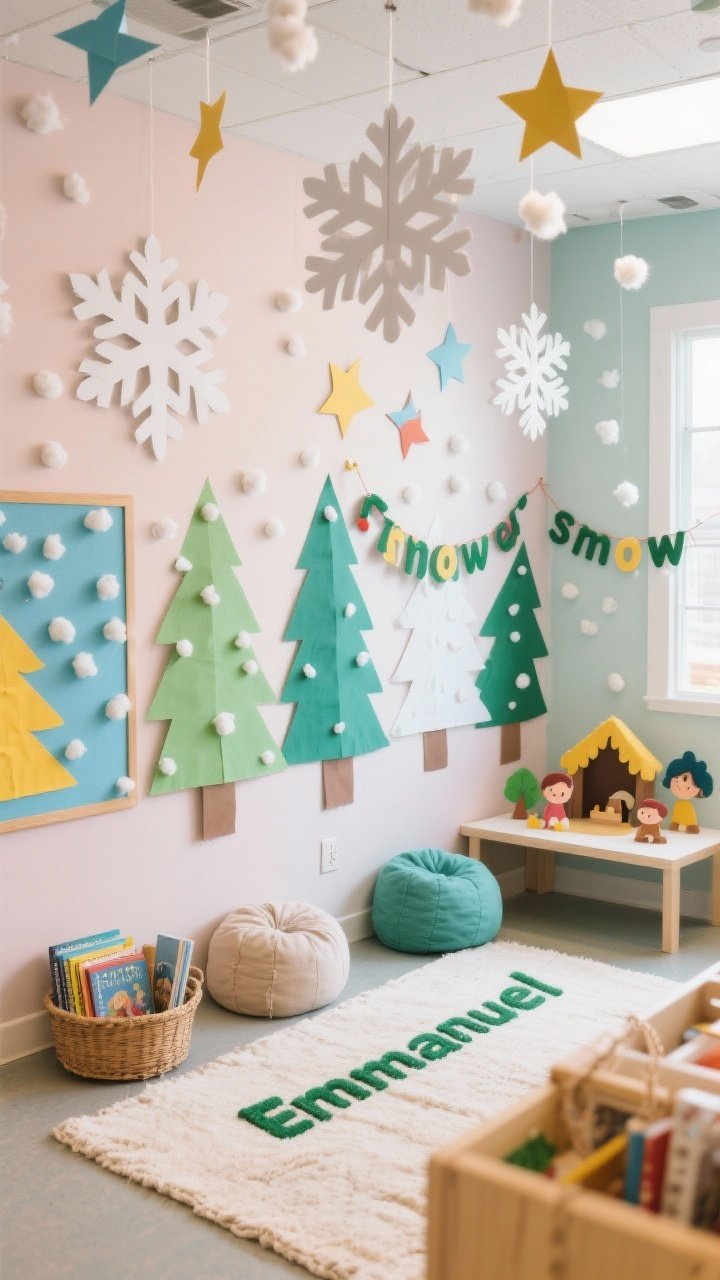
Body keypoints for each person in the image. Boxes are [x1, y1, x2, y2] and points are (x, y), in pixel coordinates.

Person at [662, 751, 714, 833]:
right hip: (676, 823)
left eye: (684, 778)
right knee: (677, 812)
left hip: (689, 823)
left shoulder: (688, 805)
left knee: (688, 812)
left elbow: (691, 816)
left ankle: (691, 826)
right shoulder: (677, 803)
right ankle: (675, 823)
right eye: (675, 777)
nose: (678, 782)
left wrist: (691, 824)